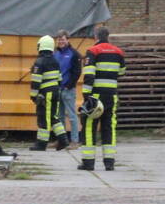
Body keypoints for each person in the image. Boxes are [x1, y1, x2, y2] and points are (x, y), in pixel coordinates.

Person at [79, 26, 125, 171]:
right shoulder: (118, 52)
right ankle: (109, 163)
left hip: (96, 96)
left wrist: (86, 96)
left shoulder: (93, 51)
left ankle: (88, 162)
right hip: (111, 95)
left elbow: (89, 75)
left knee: (89, 127)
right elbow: (122, 72)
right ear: (108, 36)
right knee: (109, 127)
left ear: (96, 36)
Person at [28, 35, 70, 151]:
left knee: (44, 118)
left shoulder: (39, 61)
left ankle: (41, 144)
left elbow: (36, 82)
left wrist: (33, 96)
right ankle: (63, 140)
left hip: (46, 94)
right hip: (56, 92)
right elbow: (60, 79)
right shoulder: (55, 61)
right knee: (53, 117)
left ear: (41, 46)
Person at [53, 30, 82, 147]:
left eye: (63, 39)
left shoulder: (74, 54)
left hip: (68, 90)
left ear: (68, 40)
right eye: (59, 39)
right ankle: (62, 140)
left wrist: (68, 85)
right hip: (57, 89)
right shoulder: (55, 54)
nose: (61, 42)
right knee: (59, 116)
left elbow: (77, 72)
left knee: (72, 116)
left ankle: (75, 141)